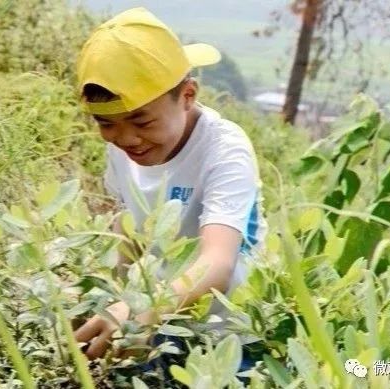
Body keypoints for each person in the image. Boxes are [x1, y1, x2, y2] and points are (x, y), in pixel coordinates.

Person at [73, 7, 268, 384]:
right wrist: (110, 297)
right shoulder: (122, 149)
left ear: (188, 95)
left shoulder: (225, 150)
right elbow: (128, 233)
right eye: (106, 123)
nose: (127, 138)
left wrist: (143, 310)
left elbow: (218, 261)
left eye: (143, 120)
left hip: (227, 336)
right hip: (156, 323)